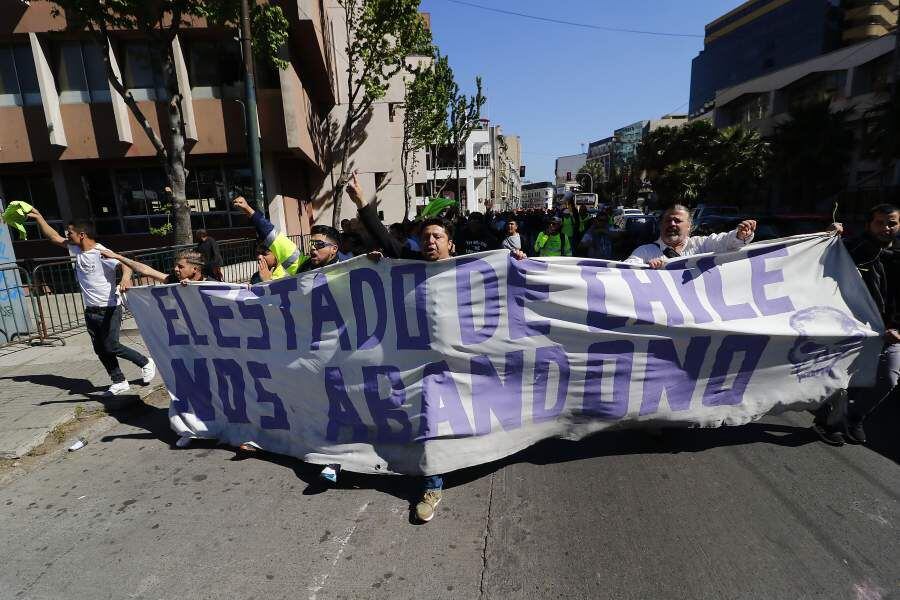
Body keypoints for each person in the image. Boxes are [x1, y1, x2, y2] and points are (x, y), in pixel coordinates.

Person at [346, 174, 525, 523]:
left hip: (463, 360)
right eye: (425, 237)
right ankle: (432, 484)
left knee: (473, 414)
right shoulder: (409, 268)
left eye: (437, 236)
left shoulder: (472, 270)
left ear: (451, 244)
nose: (430, 241)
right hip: (422, 364)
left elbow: (506, 288)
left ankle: (481, 453)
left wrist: (518, 262)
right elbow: (385, 237)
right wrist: (361, 202)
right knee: (430, 419)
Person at [26, 210, 155, 395]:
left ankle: (145, 361)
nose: (66, 235)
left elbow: (124, 264)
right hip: (91, 310)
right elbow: (54, 237)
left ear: (82, 234)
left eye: (69, 232)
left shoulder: (100, 252)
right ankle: (119, 381)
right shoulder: (76, 249)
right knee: (100, 349)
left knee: (111, 345)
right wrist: (39, 217)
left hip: (109, 308)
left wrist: (126, 278)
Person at [814, 206, 900, 445]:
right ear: (869, 225)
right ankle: (826, 422)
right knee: (842, 379)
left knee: (888, 379)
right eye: (879, 223)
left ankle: (854, 417)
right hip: (854, 330)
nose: (885, 228)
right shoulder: (853, 249)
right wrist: (827, 238)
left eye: (891, 223)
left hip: (891, 335)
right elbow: (821, 264)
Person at [232, 196, 340, 281]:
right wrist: (247, 209)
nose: (312, 248)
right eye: (311, 243)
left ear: (334, 249)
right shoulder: (300, 265)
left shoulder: (346, 270)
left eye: (319, 244)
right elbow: (270, 233)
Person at [624, 204, 756, 268]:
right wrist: (645, 268)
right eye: (667, 221)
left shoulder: (702, 245)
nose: (672, 224)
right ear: (660, 226)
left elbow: (726, 242)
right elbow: (624, 272)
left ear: (689, 227)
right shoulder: (644, 252)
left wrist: (740, 235)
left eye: (678, 221)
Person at [100, 249, 210, 286]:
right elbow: (146, 270)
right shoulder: (174, 280)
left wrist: (195, 286)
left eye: (180, 267)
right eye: (176, 266)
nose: (176, 269)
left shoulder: (212, 285)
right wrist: (117, 257)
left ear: (194, 269)